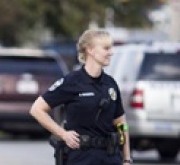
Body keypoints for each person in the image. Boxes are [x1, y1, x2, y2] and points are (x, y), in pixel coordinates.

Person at [29, 29, 131, 165]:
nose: (111, 52)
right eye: (106, 48)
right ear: (90, 50)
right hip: (81, 158)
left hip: (110, 157)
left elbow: (121, 124)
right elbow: (37, 109)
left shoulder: (110, 84)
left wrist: (126, 159)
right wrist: (62, 134)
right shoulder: (72, 81)